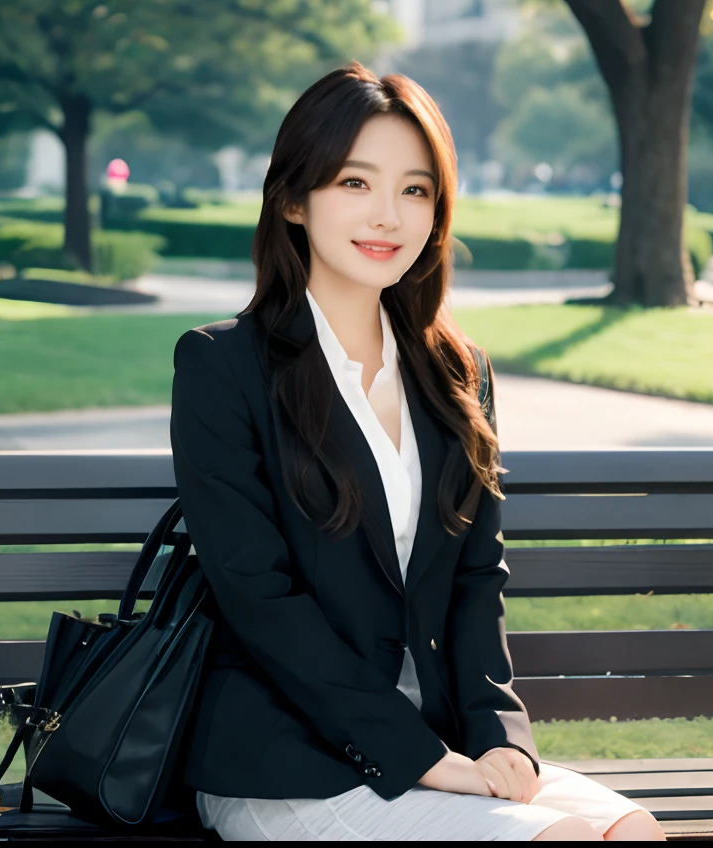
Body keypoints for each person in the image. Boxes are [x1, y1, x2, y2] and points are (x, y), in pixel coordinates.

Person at [168, 62, 664, 842]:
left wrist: (501, 738)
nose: (388, 216)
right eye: (355, 184)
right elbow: (259, 601)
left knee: (632, 834)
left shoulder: (455, 370)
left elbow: (476, 578)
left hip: (445, 744)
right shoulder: (222, 366)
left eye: (415, 190)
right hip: (288, 760)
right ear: (294, 199)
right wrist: (428, 761)